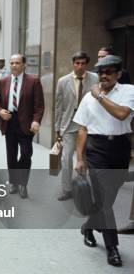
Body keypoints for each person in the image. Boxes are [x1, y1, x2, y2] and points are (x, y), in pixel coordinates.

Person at [74, 55, 134, 267]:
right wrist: (80, 157)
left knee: (107, 200)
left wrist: (99, 97)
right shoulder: (88, 97)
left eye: (109, 72)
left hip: (119, 149)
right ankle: (112, 248)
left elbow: (121, 114)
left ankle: (89, 227)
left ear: (118, 74)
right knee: (104, 198)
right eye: (100, 72)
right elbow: (82, 128)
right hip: (96, 149)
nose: (104, 76)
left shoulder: (128, 91)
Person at [0, 54, 44, 199]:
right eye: (12, 63)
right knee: (11, 154)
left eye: (17, 63)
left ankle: (23, 182)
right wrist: (0, 111)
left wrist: (36, 120)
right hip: (9, 121)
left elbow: (39, 105)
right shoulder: (3, 81)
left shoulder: (33, 81)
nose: (14, 66)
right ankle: (14, 182)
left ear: (24, 65)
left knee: (26, 153)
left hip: (26, 123)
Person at [54, 52, 98, 201]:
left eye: (83, 63)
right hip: (69, 125)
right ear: (73, 64)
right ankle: (67, 189)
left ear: (87, 64)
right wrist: (57, 128)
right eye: (77, 63)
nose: (80, 66)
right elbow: (59, 106)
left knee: (84, 157)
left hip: (88, 125)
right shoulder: (62, 81)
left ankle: (82, 187)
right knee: (66, 158)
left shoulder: (95, 79)